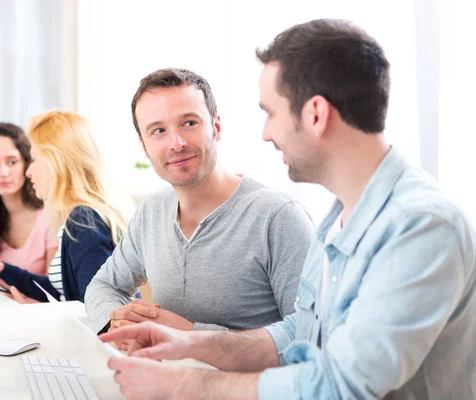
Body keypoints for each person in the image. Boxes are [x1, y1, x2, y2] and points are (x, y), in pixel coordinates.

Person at [99, 19, 476, 399]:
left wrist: (186, 385)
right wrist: (191, 343)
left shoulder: (421, 227)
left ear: (315, 114)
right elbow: (299, 336)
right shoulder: (341, 219)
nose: (266, 132)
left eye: (270, 112)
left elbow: (342, 386)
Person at [85, 68, 314, 336]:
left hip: (244, 378)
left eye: (190, 123)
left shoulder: (278, 217)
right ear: (144, 146)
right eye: (158, 130)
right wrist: (118, 323)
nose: (177, 143)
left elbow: (308, 335)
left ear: (215, 127)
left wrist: (191, 333)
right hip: (163, 375)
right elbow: (103, 286)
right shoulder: (152, 211)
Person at [0, 111, 128, 303]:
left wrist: (35, 310)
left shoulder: (84, 222)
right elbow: (60, 292)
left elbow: (97, 314)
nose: (28, 172)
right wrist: (1, 269)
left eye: (34, 159)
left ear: (57, 163)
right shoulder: (76, 218)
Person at [0, 123, 58, 275]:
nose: (3, 172)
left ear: (27, 164)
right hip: (0, 299)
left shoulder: (49, 217)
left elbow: (55, 292)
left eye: (12, 162)